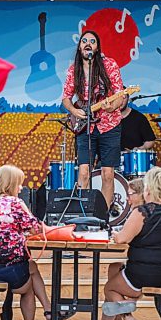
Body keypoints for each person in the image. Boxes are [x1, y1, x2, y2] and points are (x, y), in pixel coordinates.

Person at [100, 167, 161, 320]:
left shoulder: (143, 212)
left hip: (145, 274)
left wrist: (114, 234)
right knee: (115, 269)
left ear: (150, 189)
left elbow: (122, 239)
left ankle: (128, 318)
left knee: (110, 289)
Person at [0, 165, 53, 320]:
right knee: (29, 285)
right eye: (19, 183)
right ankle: (47, 312)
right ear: (10, 184)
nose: (21, 187)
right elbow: (35, 229)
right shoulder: (15, 203)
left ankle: (49, 310)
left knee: (31, 266)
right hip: (7, 269)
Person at [62, 30, 125, 210]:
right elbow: (66, 98)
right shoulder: (74, 70)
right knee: (83, 173)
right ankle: (85, 215)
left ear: (97, 48)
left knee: (107, 173)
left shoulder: (109, 65)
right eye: (84, 41)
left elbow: (120, 95)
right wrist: (75, 110)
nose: (88, 44)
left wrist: (112, 107)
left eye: (92, 41)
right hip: (85, 127)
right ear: (80, 46)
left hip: (110, 125)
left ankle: (103, 216)